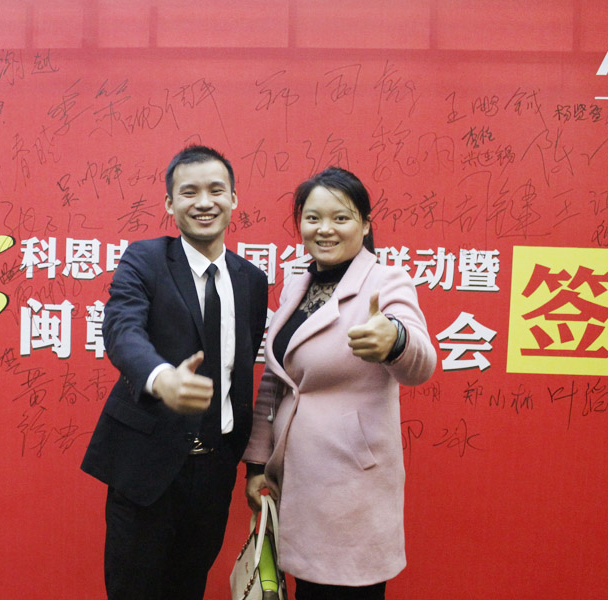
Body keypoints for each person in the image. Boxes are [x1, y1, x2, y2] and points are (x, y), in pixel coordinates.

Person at [81, 144, 269, 600]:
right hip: (147, 465)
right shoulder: (145, 259)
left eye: (216, 190)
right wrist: (161, 377)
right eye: (189, 192)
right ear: (170, 203)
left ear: (233, 198)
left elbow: (242, 376)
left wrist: (252, 465)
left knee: (188, 588)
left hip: (214, 471)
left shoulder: (251, 280)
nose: (204, 202)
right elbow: (122, 329)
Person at [242, 167, 436, 600]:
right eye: (312, 218)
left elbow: (421, 365)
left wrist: (395, 340)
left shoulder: (386, 282)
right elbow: (275, 380)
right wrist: (257, 464)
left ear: (365, 224)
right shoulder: (297, 285)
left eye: (341, 217)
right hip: (295, 480)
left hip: (352, 486)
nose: (324, 229)